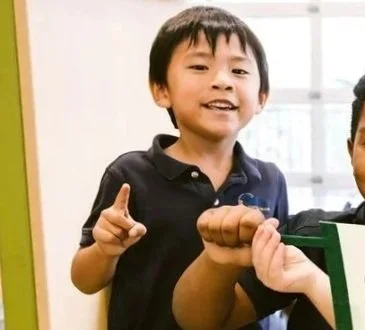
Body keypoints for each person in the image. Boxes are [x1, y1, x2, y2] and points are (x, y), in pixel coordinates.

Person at [172, 55, 365, 330]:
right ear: (351, 151)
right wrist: (217, 263)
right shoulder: (313, 238)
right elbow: (202, 322)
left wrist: (315, 285)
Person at [69, 6, 286, 329]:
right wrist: (105, 248)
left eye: (239, 72)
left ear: (262, 97)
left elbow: (272, 279)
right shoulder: (131, 174)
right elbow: (84, 280)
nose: (223, 81)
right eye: (200, 66)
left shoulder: (270, 179)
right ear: (161, 90)